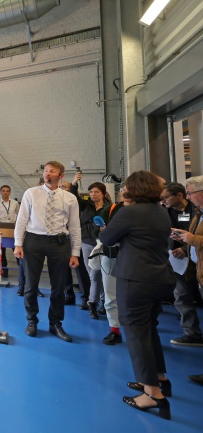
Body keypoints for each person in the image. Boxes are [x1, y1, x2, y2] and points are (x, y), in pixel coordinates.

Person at [99, 170, 174, 420]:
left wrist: (108, 228)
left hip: (135, 280)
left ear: (135, 189)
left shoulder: (129, 213)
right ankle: (160, 378)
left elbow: (107, 238)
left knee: (136, 334)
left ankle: (153, 395)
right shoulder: (160, 211)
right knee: (150, 330)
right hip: (159, 277)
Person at [14, 161, 81, 342]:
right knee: (31, 285)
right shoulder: (31, 193)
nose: (47, 174)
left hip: (59, 243)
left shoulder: (69, 198)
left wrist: (75, 252)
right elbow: (21, 220)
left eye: (52, 171)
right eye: (45, 171)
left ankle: (55, 324)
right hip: (33, 241)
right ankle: (32, 320)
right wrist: (18, 244)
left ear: (61, 176)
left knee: (58, 287)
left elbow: (75, 227)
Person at [166, 175, 203, 385]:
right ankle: (192, 333)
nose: (189, 196)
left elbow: (193, 236)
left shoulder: (195, 212)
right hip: (182, 261)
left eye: (191, 193)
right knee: (181, 295)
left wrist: (188, 242)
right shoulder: (194, 214)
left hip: (193, 259)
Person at [70, 174, 112, 319]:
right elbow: (74, 197)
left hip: (103, 243)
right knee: (94, 275)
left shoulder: (110, 208)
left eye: (96, 192)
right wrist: (74, 184)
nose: (93, 194)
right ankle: (93, 304)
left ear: (103, 194)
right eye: (91, 192)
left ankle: (102, 301)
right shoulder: (85, 205)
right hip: (87, 242)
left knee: (104, 275)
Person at [96, 186, 125, 345]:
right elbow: (96, 232)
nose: (125, 192)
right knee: (110, 295)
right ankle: (115, 329)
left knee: (133, 296)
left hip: (134, 259)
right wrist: (103, 231)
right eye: (123, 189)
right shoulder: (111, 209)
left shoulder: (147, 211)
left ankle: (141, 329)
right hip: (111, 255)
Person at [59, 180, 91, 308]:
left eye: (65, 187)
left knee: (80, 270)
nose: (62, 189)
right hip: (62, 240)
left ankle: (86, 298)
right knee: (64, 271)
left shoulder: (76, 202)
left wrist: (74, 185)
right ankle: (69, 296)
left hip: (77, 239)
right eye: (61, 187)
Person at [0, 185, 19, 280]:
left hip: (12, 227)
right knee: (2, 250)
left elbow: (19, 215)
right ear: (0, 192)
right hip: (0, 227)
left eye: (7, 191)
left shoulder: (15, 203)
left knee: (16, 248)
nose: (5, 192)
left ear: (10, 192)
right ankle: (4, 270)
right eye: (3, 191)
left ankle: (22, 268)